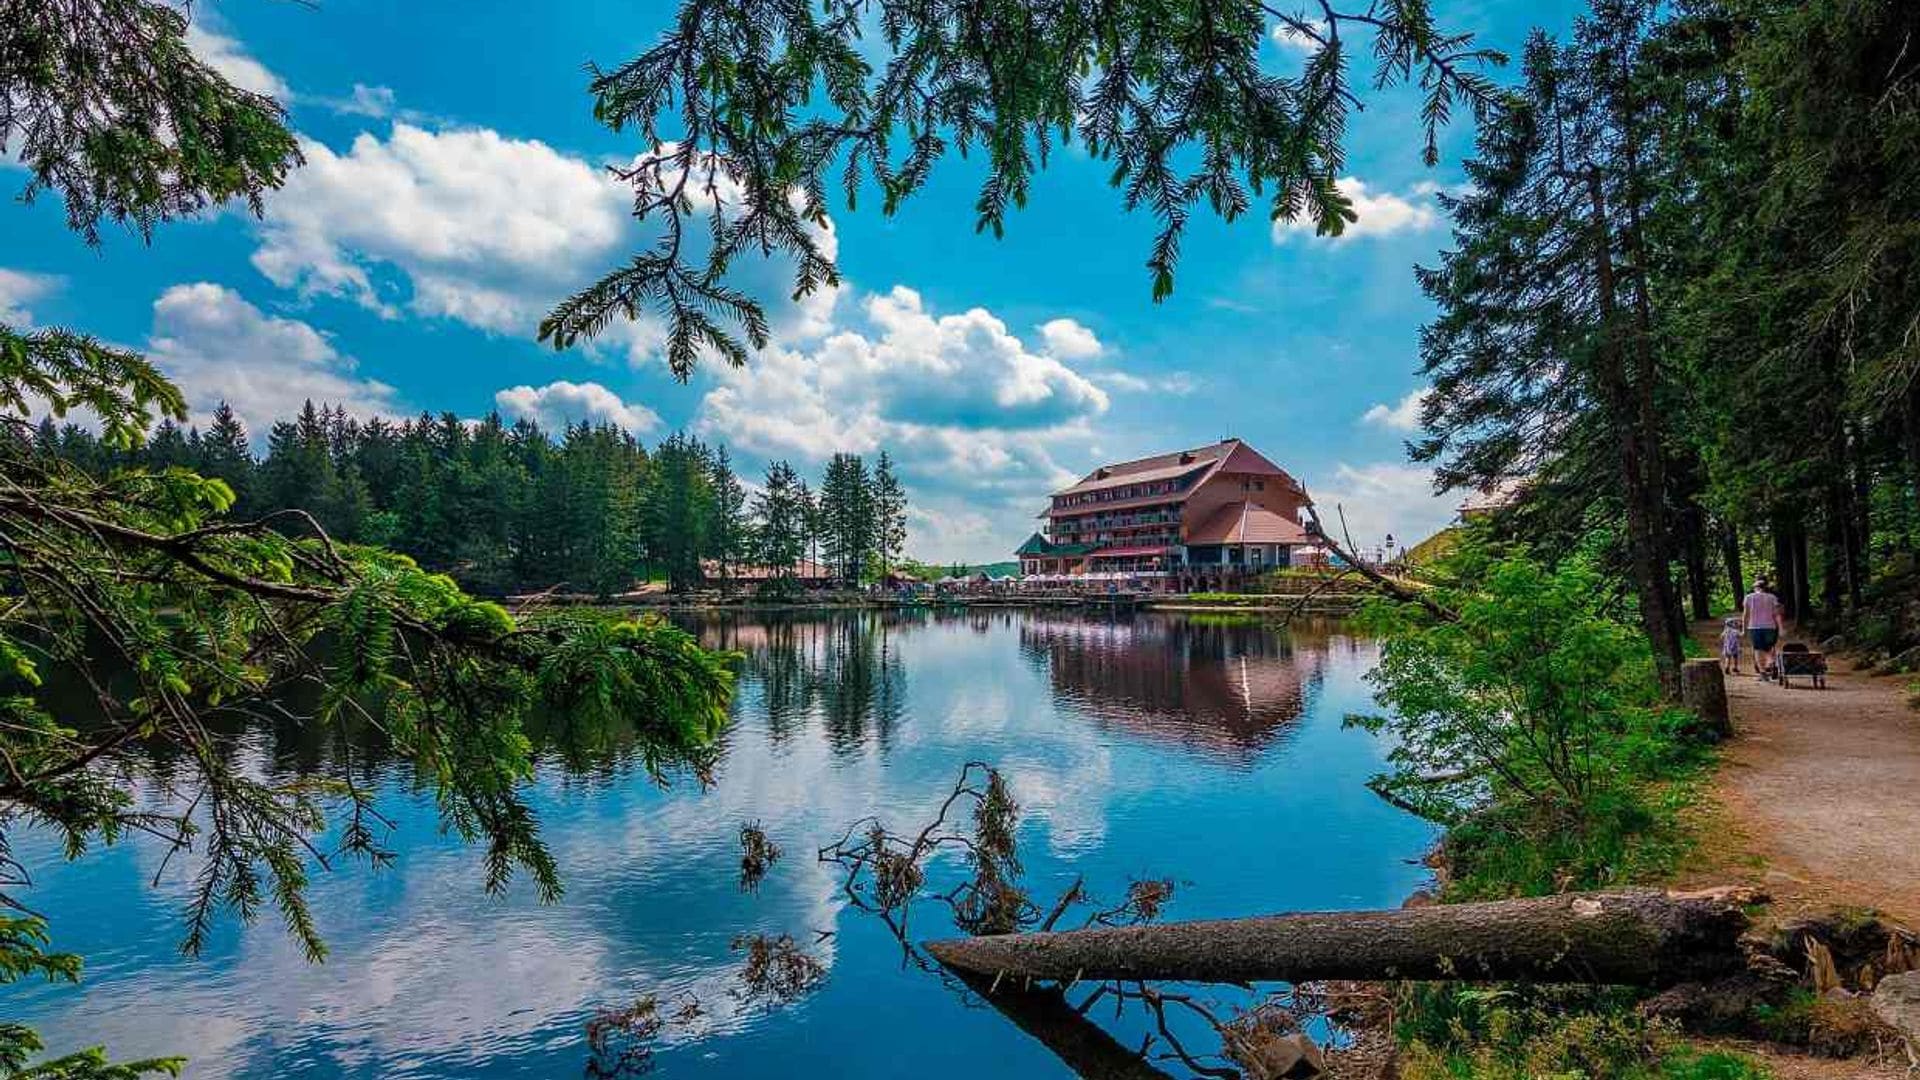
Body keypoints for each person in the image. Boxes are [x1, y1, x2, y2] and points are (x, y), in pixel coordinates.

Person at [1742, 578, 1784, 679]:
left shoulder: (1749, 597)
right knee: (1770, 648)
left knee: (1758, 650)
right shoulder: (1772, 597)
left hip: (1755, 627)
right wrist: (1781, 628)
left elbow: (1745, 614)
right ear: (1765, 588)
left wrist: (1744, 629)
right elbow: (1777, 614)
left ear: (1755, 588)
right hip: (1770, 627)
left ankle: (1763, 673)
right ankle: (1772, 663)